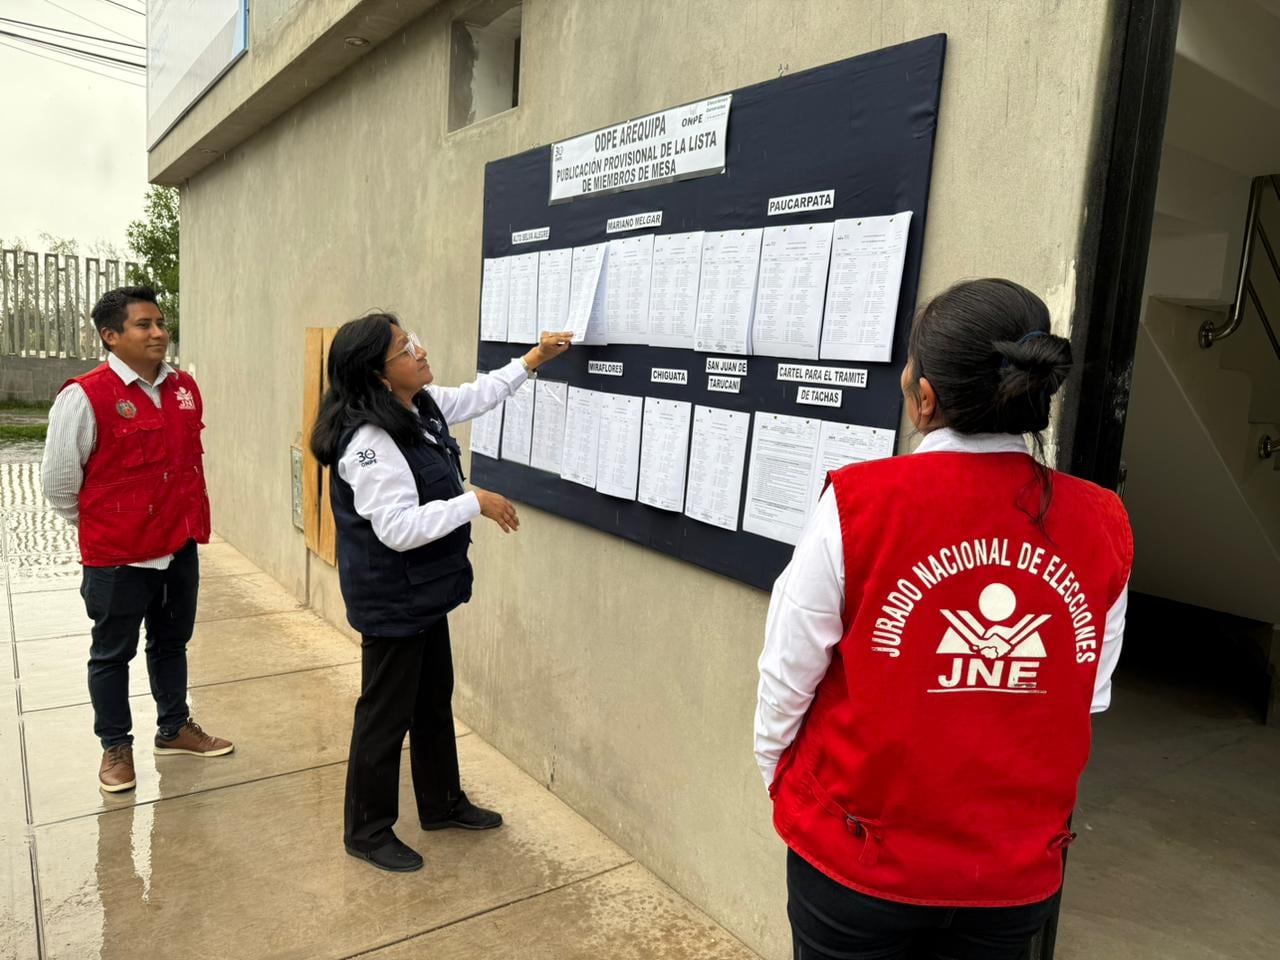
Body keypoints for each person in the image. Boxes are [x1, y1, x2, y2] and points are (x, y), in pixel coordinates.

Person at [755, 279, 1133, 959]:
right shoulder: (1102, 521)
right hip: (1012, 873)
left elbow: (787, 676)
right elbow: (1087, 692)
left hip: (857, 859)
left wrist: (782, 786)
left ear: (924, 398)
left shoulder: (861, 505)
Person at [310, 312, 572, 872]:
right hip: (392, 600)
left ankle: (442, 802)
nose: (421, 352)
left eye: (414, 341)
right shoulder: (370, 440)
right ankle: (367, 831)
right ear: (378, 374)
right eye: (406, 349)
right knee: (385, 715)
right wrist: (473, 502)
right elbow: (397, 528)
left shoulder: (415, 407)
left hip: (424, 593)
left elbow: (476, 396)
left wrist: (532, 360)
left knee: (432, 700)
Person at [42, 286, 233, 795]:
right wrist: (108, 526)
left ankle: (174, 729)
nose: (158, 333)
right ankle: (115, 746)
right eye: (143, 325)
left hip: (179, 545)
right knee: (112, 654)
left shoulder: (183, 386)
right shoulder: (84, 396)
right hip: (118, 556)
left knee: (171, 642)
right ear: (111, 335)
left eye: (161, 323)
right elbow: (59, 485)